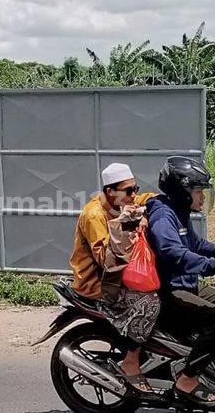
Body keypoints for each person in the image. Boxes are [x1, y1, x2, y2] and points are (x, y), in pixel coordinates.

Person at [145, 156, 215, 408]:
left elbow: (196, 245)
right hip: (169, 289)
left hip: (187, 283)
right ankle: (187, 379)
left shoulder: (180, 213)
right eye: (198, 191)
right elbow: (175, 253)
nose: (201, 197)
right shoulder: (162, 217)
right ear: (182, 191)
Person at [69, 163, 159, 394]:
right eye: (129, 191)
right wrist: (128, 226)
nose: (134, 195)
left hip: (118, 277)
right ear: (111, 192)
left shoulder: (124, 201)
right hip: (98, 284)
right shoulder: (94, 215)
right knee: (149, 303)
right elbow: (104, 259)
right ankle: (130, 361)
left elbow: (148, 198)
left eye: (135, 189)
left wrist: (155, 205)